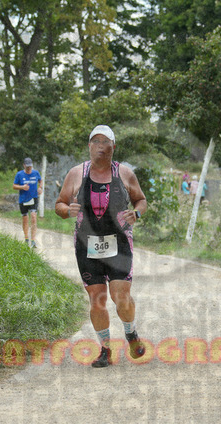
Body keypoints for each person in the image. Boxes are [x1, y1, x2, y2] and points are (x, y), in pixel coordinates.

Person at [55, 125, 148, 368]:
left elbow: (140, 200)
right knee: (97, 300)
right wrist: (67, 210)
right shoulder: (76, 173)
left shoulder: (124, 173)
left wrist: (136, 213)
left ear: (113, 147)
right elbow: (59, 204)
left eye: (105, 142)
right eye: (95, 141)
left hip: (119, 243)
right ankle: (105, 349)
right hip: (86, 245)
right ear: (89, 146)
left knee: (120, 296)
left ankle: (131, 333)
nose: (100, 146)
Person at [13, 158, 43, 248]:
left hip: (33, 198)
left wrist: (40, 188)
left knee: (33, 217)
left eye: (30, 167)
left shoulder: (36, 173)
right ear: (24, 165)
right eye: (27, 167)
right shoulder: (19, 174)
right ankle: (26, 238)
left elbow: (40, 181)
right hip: (23, 199)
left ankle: (33, 240)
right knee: (25, 219)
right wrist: (22, 187)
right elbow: (14, 186)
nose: (29, 168)